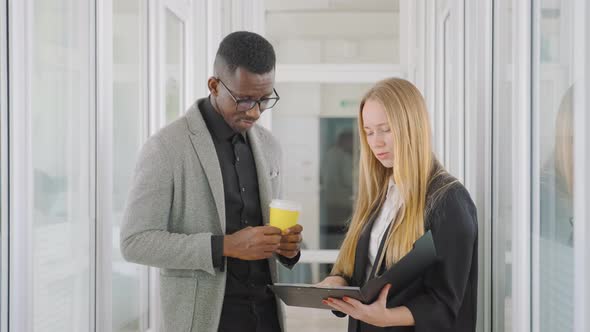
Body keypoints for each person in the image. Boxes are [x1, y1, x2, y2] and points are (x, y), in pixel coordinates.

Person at [120, 31, 303, 332]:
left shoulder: (270, 146)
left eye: (264, 100)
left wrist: (287, 247)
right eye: (244, 100)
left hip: (267, 317)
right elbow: (134, 242)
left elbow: (270, 231)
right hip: (205, 321)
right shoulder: (166, 147)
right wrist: (224, 246)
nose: (255, 112)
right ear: (214, 85)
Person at [317, 78, 478, 332]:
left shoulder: (449, 200)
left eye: (386, 129)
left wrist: (386, 317)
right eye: (369, 132)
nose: (376, 142)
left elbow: (446, 303)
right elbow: (368, 270)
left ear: (411, 127)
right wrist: (338, 280)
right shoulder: (382, 192)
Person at [321, 129, 354, 249]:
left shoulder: (329, 153)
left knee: (333, 232)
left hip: (330, 201)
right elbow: (349, 180)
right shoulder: (343, 156)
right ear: (344, 141)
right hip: (342, 202)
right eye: (351, 140)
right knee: (342, 233)